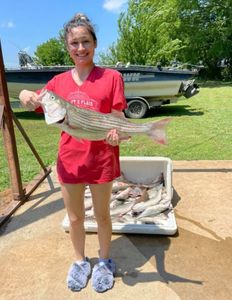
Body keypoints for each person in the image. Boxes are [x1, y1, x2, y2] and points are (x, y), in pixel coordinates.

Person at [19, 13, 127, 293]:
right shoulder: (56, 84)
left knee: (103, 215)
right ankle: (80, 261)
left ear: (95, 43)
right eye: (74, 43)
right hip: (69, 162)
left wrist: (117, 134)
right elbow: (35, 100)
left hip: (102, 158)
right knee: (76, 218)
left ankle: (104, 260)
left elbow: (118, 115)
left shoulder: (112, 77)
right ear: (67, 46)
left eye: (86, 41)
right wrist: (24, 95)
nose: (80, 48)